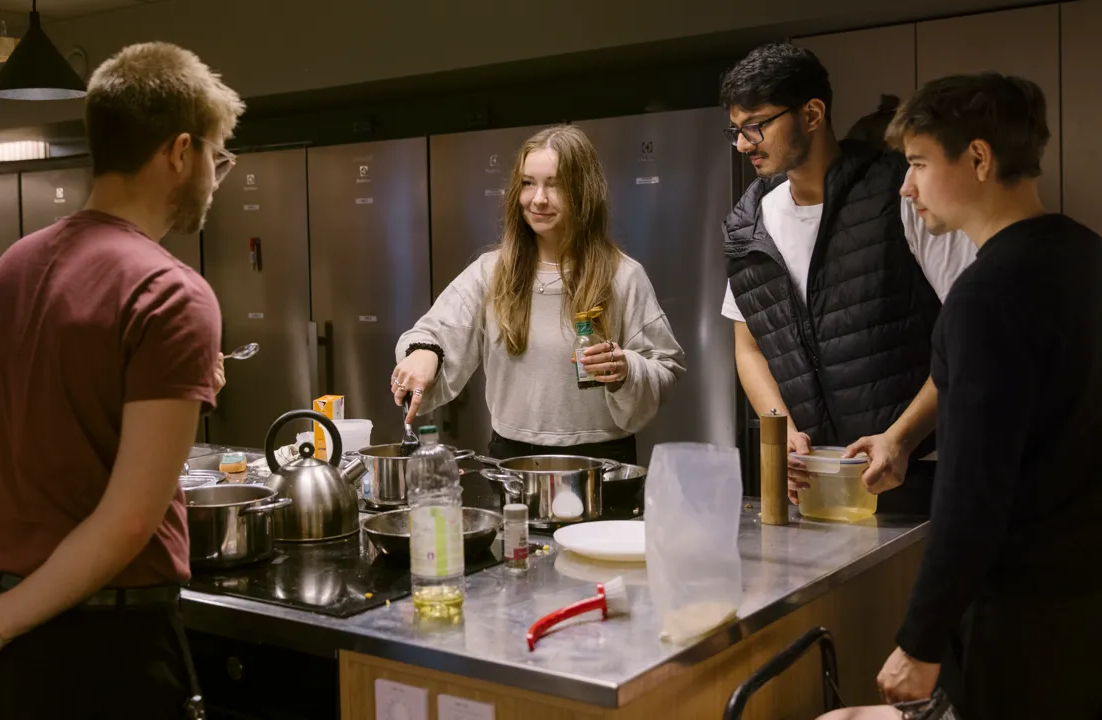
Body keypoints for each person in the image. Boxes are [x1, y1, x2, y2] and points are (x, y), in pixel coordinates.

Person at [0, 42, 244, 719]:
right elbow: (128, 522)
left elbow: (60, 414)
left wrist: (4, 616)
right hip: (107, 654)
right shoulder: (170, 292)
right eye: (217, 156)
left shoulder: (12, 266)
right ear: (179, 152)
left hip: (12, 658)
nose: (216, 174)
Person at [874, 73, 1102, 718]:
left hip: (1025, 617)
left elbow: (972, 495)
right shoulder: (1087, 256)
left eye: (917, 163)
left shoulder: (984, 298)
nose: (906, 186)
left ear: (978, 158)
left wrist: (919, 641)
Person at [718, 43, 976, 515]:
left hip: (922, 472)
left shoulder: (902, 195)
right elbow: (749, 345)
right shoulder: (749, 224)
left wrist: (902, 438)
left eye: (756, 126)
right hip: (816, 485)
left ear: (812, 114)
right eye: (735, 130)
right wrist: (782, 430)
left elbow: (973, 333)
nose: (742, 144)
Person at [391, 124, 684, 466]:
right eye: (528, 183)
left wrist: (626, 370)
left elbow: (666, 366)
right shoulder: (491, 272)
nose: (538, 199)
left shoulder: (623, 275)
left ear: (583, 191)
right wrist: (426, 353)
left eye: (554, 184)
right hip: (510, 462)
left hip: (602, 465)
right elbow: (431, 335)